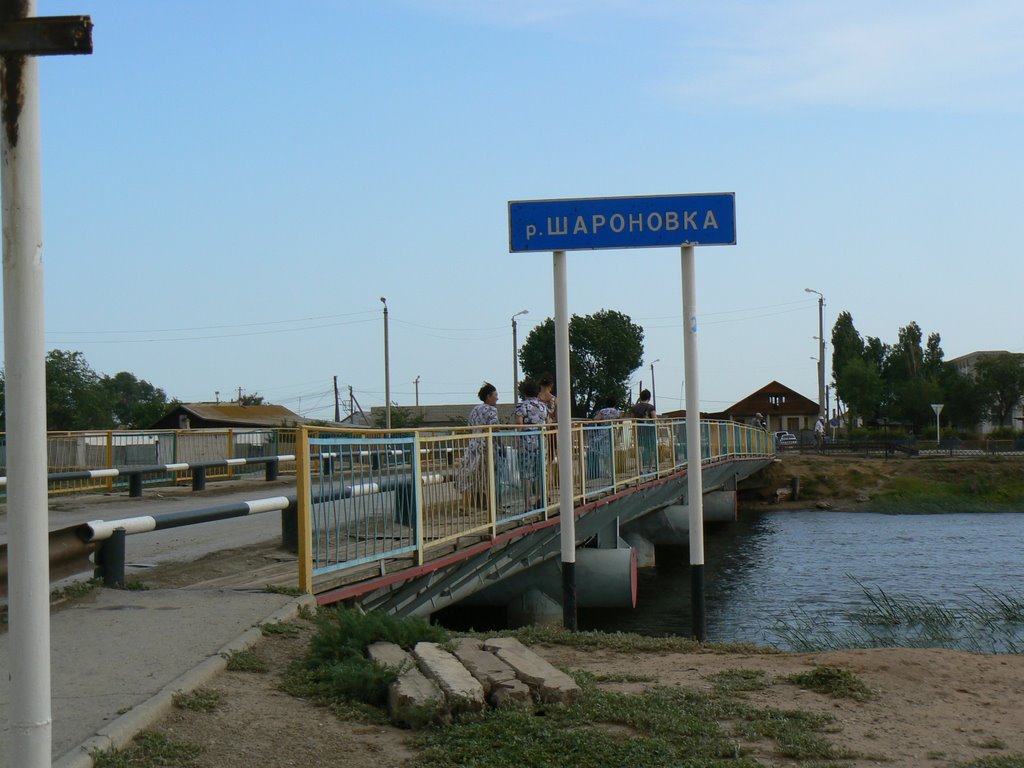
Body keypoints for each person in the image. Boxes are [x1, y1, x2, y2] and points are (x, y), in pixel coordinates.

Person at [454, 383, 499, 511]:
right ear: (488, 396)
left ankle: (465, 505)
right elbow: (494, 429)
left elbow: (470, 427)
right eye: (495, 395)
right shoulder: (492, 410)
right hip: (485, 446)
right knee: (487, 476)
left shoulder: (475, 409)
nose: (497, 398)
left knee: (468, 475)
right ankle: (490, 507)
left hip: (473, 445)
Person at [513, 379, 549, 509]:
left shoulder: (521, 406)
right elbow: (548, 422)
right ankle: (540, 499)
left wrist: (517, 441)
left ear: (524, 392)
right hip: (540, 440)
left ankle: (527, 503)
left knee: (526, 474)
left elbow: (519, 424)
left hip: (526, 442)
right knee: (540, 471)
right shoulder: (543, 406)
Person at [589, 396, 621, 477]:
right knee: (609, 453)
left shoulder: (603, 411)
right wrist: (618, 432)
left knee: (601, 452)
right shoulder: (617, 412)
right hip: (612, 432)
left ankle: (602, 471)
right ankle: (609, 471)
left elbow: (595, 420)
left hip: (602, 432)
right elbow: (620, 422)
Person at [632, 389, 657, 471]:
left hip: (639, 431)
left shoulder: (635, 408)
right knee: (651, 450)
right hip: (650, 431)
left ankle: (640, 469)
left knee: (639, 450)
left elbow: (633, 419)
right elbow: (655, 419)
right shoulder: (651, 407)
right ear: (649, 398)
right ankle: (650, 468)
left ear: (640, 397)